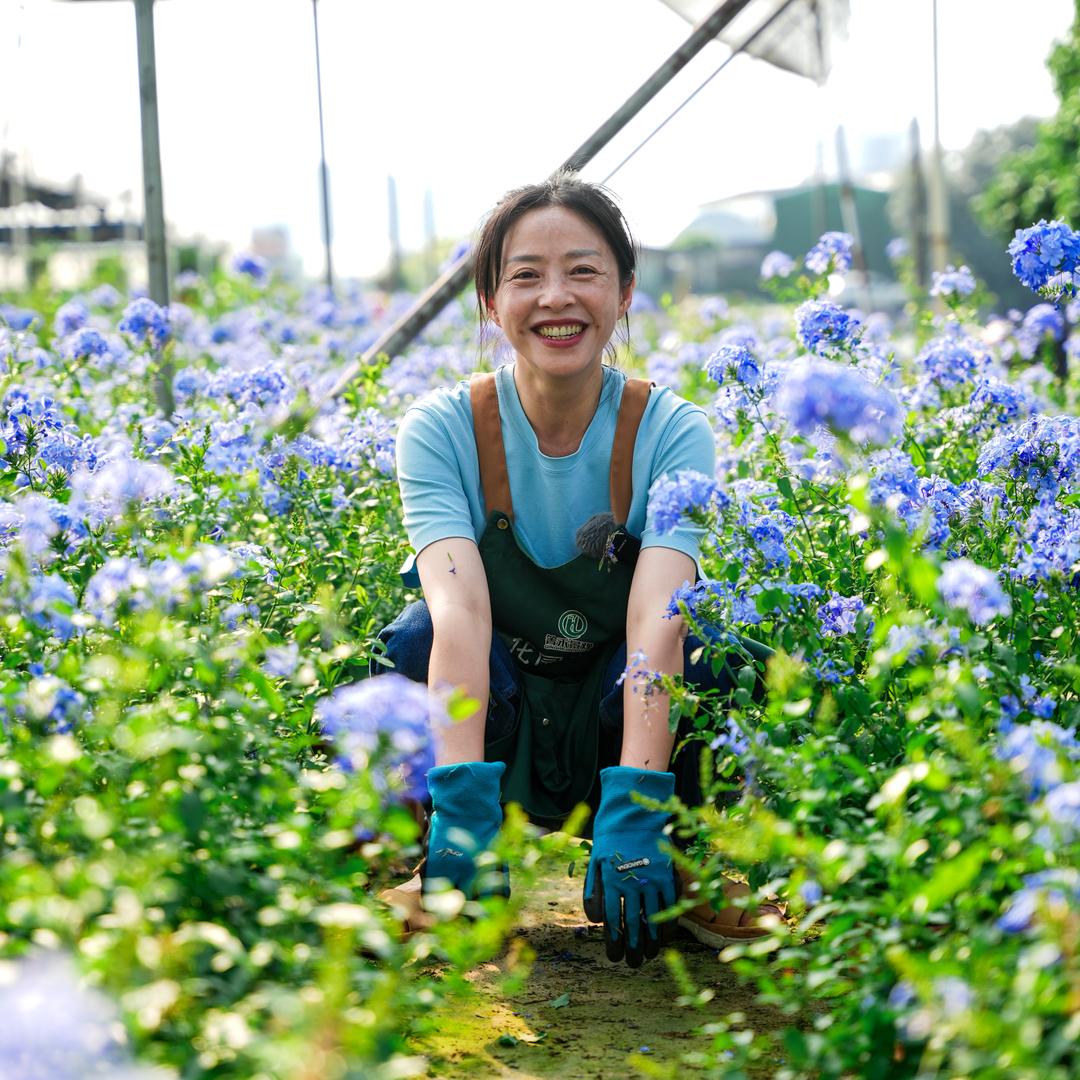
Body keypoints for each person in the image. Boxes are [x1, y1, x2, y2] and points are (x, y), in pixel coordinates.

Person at [375, 171, 777, 968]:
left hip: (616, 723)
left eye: (583, 271)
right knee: (417, 636)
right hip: (502, 722)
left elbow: (655, 616)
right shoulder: (441, 429)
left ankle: (681, 857)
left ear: (625, 291)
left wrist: (635, 801)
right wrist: (460, 802)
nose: (556, 297)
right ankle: (449, 855)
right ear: (491, 302)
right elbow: (462, 617)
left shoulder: (670, 430)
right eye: (526, 275)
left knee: (711, 645)